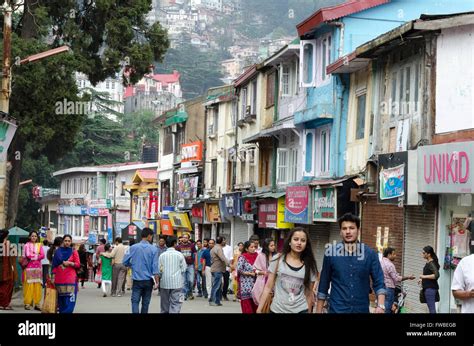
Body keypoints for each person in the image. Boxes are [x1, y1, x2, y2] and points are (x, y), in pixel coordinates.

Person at [316, 213, 386, 313]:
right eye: (344, 229)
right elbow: (324, 284)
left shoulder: (370, 254)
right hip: (337, 309)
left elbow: (379, 282)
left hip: (361, 310)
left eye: (351, 228)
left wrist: (381, 305)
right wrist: (318, 310)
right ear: (340, 232)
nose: (348, 232)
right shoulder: (330, 254)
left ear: (358, 230)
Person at [257, 228, 317, 314]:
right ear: (289, 242)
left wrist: (309, 311)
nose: (299, 243)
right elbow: (268, 287)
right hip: (277, 310)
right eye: (296, 239)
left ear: (306, 244)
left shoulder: (310, 265)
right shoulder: (278, 259)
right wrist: (259, 309)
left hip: (301, 310)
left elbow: (309, 293)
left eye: (303, 240)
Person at [123, 228, 159, 314]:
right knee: (145, 303)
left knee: (135, 301)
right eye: (152, 236)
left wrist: (132, 266)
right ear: (149, 236)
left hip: (137, 279)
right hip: (148, 280)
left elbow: (124, 261)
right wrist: (157, 282)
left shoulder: (132, 247)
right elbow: (155, 267)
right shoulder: (154, 249)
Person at [380, 247, 415, 313]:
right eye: (394, 254)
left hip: (381, 287)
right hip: (389, 289)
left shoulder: (381, 262)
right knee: (387, 308)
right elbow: (396, 279)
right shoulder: (390, 265)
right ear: (389, 255)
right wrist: (408, 277)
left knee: (382, 307)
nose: (395, 256)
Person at [51, 235, 81, 313]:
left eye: (69, 241)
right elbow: (54, 266)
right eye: (65, 241)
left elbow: (78, 264)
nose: (67, 242)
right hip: (59, 279)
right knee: (61, 301)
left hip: (70, 278)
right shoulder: (58, 252)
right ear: (63, 241)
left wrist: (70, 263)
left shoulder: (73, 251)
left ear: (71, 242)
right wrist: (53, 277)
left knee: (70, 301)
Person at [158, 236, 187, 313]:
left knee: (164, 304)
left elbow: (159, 270)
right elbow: (184, 269)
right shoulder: (179, 255)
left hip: (164, 283)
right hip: (177, 283)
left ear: (166, 244)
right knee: (176, 303)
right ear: (175, 244)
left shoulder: (162, 255)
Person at [23, 230, 45, 311]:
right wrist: (37, 256)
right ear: (29, 237)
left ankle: (37, 303)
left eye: (35, 236)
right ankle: (27, 303)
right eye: (32, 236)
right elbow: (28, 255)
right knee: (29, 285)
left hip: (38, 268)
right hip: (29, 268)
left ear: (37, 237)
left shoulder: (40, 245)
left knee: (37, 286)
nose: (34, 237)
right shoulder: (26, 245)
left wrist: (34, 256)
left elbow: (42, 255)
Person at [252, 238, 276, 306]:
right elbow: (255, 269)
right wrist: (263, 273)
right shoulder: (261, 256)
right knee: (264, 303)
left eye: (274, 245)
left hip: (275, 282)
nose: (273, 247)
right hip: (263, 282)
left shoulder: (276, 256)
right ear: (266, 246)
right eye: (271, 245)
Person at [237, 241, 259, 313]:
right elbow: (239, 270)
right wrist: (249, 273)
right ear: (246, 249)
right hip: (245, 285)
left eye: (254, 247)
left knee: (256, 305)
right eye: (251, 247)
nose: (253, 249)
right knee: (247, 307)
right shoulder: (242, 257)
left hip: (256, 284)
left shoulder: (257, 256)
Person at [419, 245, 440, 314]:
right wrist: (422, 279)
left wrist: (423, 277)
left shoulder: (431, 263)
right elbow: (429, 273)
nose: (423, 254)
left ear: (429, 254)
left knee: (432, 310)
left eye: (424, 253)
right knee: (431, 309)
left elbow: (436, 275)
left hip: (430, 289)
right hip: (428, 288)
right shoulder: (429, 262)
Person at [176, 233, 197, 300]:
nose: (184, 238)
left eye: (186, 237)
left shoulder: (192, 245)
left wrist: (196, 264)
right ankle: (184, 295)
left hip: (190, 265)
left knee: (190, 280)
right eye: (183, 237)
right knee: (183, 281)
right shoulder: (178, 247)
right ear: (182, 238)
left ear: (188, 238)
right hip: (182, 266)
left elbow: (195, 255)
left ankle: (190, 292)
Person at [209, 236, 229, 306]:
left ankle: (217, 301)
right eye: (223, 240)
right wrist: (229, 265)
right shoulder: (218, 248)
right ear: (222, 241)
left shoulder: (213, 248)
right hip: (217, 269)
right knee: (216, 286)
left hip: (215, 269)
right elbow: (222, 258)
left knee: (218, 285)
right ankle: (212, 300)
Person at [0, 230, 15, 310]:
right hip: (5, 268)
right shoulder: (7, 243)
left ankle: (3, 303)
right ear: (6, 236)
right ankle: (3, 303)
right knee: (7, 284)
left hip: (4, 267)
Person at [222, 237, 233, 301]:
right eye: (222, 240)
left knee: (226, 282)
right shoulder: (218, 247)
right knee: (219, 282)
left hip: (227, 267)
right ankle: (219, 295)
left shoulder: (229, 248)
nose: (223, 241)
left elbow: (231, 258)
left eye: (224, 240)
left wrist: (230, 267)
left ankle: (224, 294)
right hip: (219, 267)